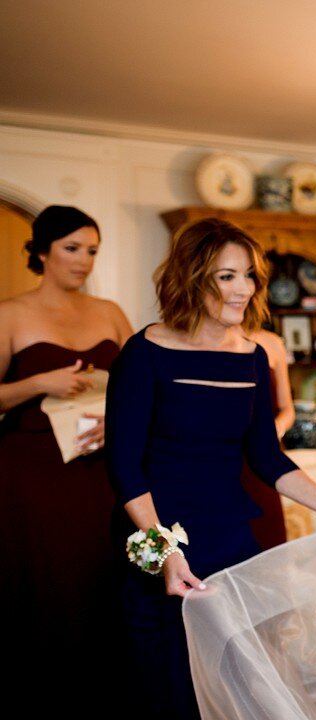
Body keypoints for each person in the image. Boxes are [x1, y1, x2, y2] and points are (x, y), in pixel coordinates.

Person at [106, 218, 316, 719]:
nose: (243, 288)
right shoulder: (143, 354)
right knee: (168, 683)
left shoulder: (252, 357)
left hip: (232, 539)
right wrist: (164, 552)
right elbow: (124, 466)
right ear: (192, 278)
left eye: (249, 275)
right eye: (226, 276)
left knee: (240, 678)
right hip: (161, 540)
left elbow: (267, 457)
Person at [0, 205, 134, 713]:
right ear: (40, 252)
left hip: (103, 467)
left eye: (92, 251)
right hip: (32, 471)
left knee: (104, 572)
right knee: (44, 582)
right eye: (72, 249)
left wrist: (121, 421)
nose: (84, 261)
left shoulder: (111, 312)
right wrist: (39, 382)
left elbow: (144, 385)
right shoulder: (10, 313)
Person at [241, 327, 294, 549]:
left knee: (268, 542)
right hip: (223, 460)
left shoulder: (271, 343)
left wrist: (270, 432)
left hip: (263, 464)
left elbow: (287, 409)